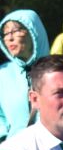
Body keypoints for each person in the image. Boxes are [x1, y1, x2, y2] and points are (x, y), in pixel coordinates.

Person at [0, 9, 49, 140]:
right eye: (5, 33)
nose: (9, 38)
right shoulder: (3, 74)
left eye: (15, 31)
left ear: (34, 32)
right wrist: (3, 138)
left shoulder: (55, 72)